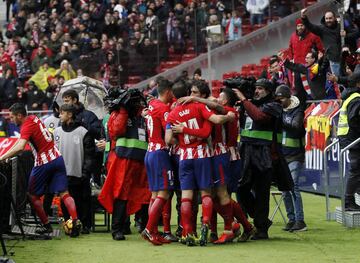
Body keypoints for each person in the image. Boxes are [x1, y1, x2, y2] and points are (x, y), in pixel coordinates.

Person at [165, 80, 235, 246]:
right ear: (188, 92)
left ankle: (187, 231)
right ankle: (208, 227)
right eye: (193, 92)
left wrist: (182, 135)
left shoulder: (173, 113)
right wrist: (229, 117)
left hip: (185, 157)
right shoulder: (199, 107)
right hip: (204, 155)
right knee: (207, 194)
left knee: (187, 197)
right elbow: (206, 131)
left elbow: (169, 139)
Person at [0, 103, 81, 237]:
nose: (11, 120)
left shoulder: (26, 125)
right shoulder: (33, 118)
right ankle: (75, 221)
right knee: (64, 193)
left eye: (12, 117)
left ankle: (46, 225)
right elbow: (20, 141)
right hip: (57, 158)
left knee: (32, 195)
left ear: (20, 116)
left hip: (43, 162)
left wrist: (2, 157)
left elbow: (20, 147)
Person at [98, 89, 151, 241]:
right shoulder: (118, 114)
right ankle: (118, 229)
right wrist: (123, 110)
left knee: (143, 193)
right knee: (121, 193)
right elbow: (116, 131)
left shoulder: (141, 116)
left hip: (139, 161)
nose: (135, 103)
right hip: (122, 161)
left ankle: (145, 226)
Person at [233, 78, 282, 240]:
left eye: (260, 88)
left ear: (269, 91)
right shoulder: (249, 104)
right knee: (241, 188)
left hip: (264, 153)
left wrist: (245, 100)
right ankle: (260, 219)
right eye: (256, 88)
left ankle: (261, 229)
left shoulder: (274, 106)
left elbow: (259, 117)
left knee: (262, 192)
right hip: (246, 150)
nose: (257, 91)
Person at [142, 79, 176, 245]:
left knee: (155, 195)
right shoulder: (163, 109)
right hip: (159, 153)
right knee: (164, 193)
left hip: (149, 152)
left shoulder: (152, 104)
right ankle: (149, 229)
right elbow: (168, 137)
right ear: (168, 91)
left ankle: (154, 231)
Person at [54, 104, 95, 234]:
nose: (59, 115)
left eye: (62, 113)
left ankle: (84, 225)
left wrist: (85, 173)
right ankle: (69, 225)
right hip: (62, 175)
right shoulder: (56, 132)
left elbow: (89, 155)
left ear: (70, 115)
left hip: (79, 175)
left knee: (81, 201)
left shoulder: (83, 132)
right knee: (65, 202)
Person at [275, 85, 307, 232]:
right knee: (284, 189)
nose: (279, 101)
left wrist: (280, 119)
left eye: (281, 98)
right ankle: (291, 219)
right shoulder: (279, 111)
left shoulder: (298, 111)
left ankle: (300, 221)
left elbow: (296, 127)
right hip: (283, 155)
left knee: (294, 187)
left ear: (288, 97)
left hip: (296, 155)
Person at [301, 8, 360, 76]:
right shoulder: (322, 29)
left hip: (347, 60)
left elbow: (355, 35)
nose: (328, 20)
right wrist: (304, 17)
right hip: (334, 62)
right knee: (339, 83)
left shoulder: (341, 27)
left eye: (330, 18)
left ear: (334, 18)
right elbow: (310, 26)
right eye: (327, 18)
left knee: (352, 81)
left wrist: (345, 35)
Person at [337, 72, 360, 211]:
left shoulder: (349, 96)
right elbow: (354, 119)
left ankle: (350, 199)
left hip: (348, 137)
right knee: (355, 170)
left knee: (356, 169)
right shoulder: (356, 98)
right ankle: (348, 201)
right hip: (353, 138)